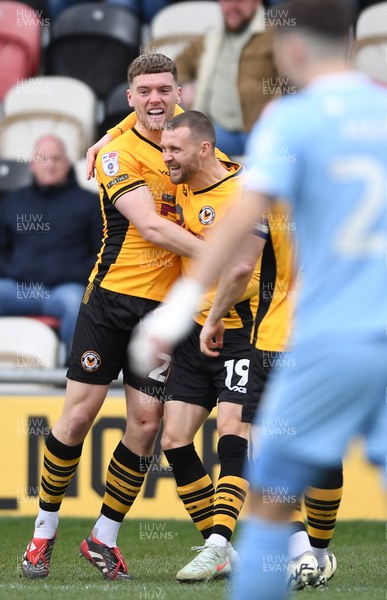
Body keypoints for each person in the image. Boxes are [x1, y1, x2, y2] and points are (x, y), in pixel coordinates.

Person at [129, 2, 387, 599]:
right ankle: (314, 553)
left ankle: (284, 555)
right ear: (349, 41)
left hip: (316, 333)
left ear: (290, 51)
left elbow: (235, 242)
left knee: (270, 489)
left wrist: (176, 313)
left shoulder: (289, 121)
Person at [20, 53, 204, 581]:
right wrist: (219, 252)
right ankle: (41, 534)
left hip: (163, 312)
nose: (155, 99)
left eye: (164, 89)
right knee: (78, 417)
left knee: (145, 425)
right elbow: (150, 226)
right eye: (144, 90)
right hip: (111, 299)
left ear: (177, 94)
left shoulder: (186, 144)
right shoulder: (116, 154)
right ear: (129, 96)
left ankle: (103, 537)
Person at [200, 206, 340, 589]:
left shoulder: (272, 198)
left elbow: (243, 267)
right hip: (333, 339)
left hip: (275, 340)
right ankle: (321, 552)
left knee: (266, 448)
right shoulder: (351, 187)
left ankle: (301, 554)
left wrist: (214, 317)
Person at [158, 110, 263, 582]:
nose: (166, 158)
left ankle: (221, 543)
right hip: (193, 331)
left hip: (238, 329)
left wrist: (216, 318)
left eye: (174, 150)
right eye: (162, 149)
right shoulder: (180, 181)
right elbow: (145, 112)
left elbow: (243, 272)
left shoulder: (244, 195)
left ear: (205, 150)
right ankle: (220, 548)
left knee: (232, 431)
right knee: (174, 440)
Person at [0, 135, 102, 359]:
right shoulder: (14, 200)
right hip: (18, 289)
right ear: (32, 164)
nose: (50, 165)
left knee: (77, 305)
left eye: (56, 159)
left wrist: (75, 275)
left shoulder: (88, 203)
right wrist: (14, 272)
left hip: (65, 289)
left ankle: (73, 373)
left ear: (67, 164)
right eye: (43, 159)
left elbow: (100, 252)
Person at [175, 0, 279, 156]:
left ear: (256, 3)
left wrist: (279, 103)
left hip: (262, 130)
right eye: (227, 1)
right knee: (184, 150)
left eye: (240, 1)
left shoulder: (274, 35)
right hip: (220, 131)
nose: (233, 7)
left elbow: (294, 76)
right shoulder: (211, 37)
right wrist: (186, 83)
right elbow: (181, 60)